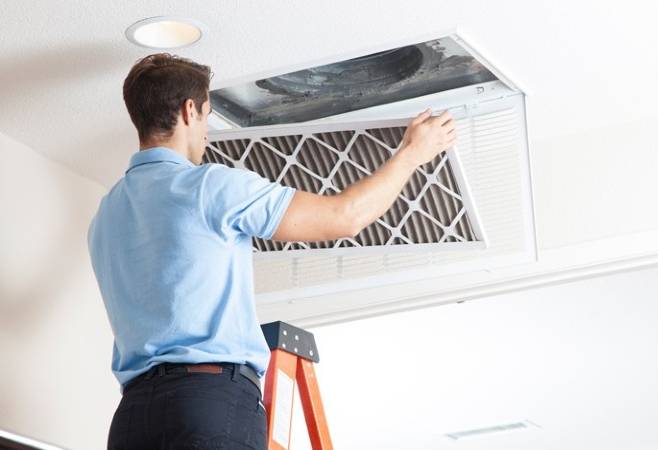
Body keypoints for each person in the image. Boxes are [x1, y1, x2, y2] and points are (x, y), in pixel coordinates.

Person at [87, 53, 456, 449]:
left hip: (132, 420)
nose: (207, 131)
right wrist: (412, 155)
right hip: (206, 402)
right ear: (189, 110)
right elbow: (345, 216)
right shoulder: (211, 186)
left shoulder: (105, 215)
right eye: (208, 115)